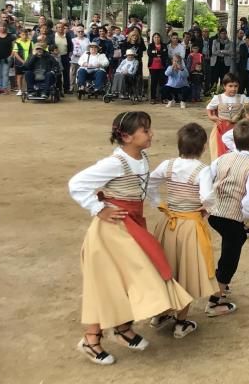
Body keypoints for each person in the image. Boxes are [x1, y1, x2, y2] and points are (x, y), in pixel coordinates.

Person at [68, 111, 193, 365]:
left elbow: (144, 189)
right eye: (145, 131)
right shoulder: (115, 162)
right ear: (126, 136)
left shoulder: (142, 157)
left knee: (129, 280)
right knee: (108, 283)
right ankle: (91, 339)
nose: (151, 134)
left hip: (131, 226)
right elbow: (77, 184)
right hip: (112, 232)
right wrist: (99, 208)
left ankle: (123, 328)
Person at [148, 123, 219, 338]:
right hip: (190, 226)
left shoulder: (168, 164)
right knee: (187, 273)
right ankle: (180, 323)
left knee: (166, 268)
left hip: (168, 224)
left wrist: (158, 202)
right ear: (204, 147)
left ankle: (159, 314)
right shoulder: (202, 170)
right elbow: (207, 197)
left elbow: (149, 182)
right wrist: (208, 209)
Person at [206, 119, 249, 317]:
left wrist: (208, 201)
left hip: (214, 212)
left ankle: (220, 283)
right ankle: (215, 298)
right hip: (232, 215)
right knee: (232, 250)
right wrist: (245, 218)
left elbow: (207, 177)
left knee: (232, 243)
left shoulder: (221, 159)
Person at [206, 73, 249, 160]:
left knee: (237, 151)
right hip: (221, 128)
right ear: (224, 86)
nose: (233, 89)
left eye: (236, 86)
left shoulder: (242, 98)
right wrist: (213, 118)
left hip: (238, 128)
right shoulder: (218, 98)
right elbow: (209, 109)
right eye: (230, 86)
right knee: (221, 151)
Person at [147, 33, 169, 104]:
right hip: (153, 67)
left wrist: (156, 53)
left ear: (160, 38)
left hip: (162, 66)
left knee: (162, 83)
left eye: (158, 37)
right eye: (155, 37)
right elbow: (150, 54)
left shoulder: (164, 45)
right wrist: (159, 53)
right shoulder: (150, 45)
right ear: (153, 38)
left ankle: (164, 98)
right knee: (153, 83)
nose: (156, 39)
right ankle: (153, 98)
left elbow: (165, 55)